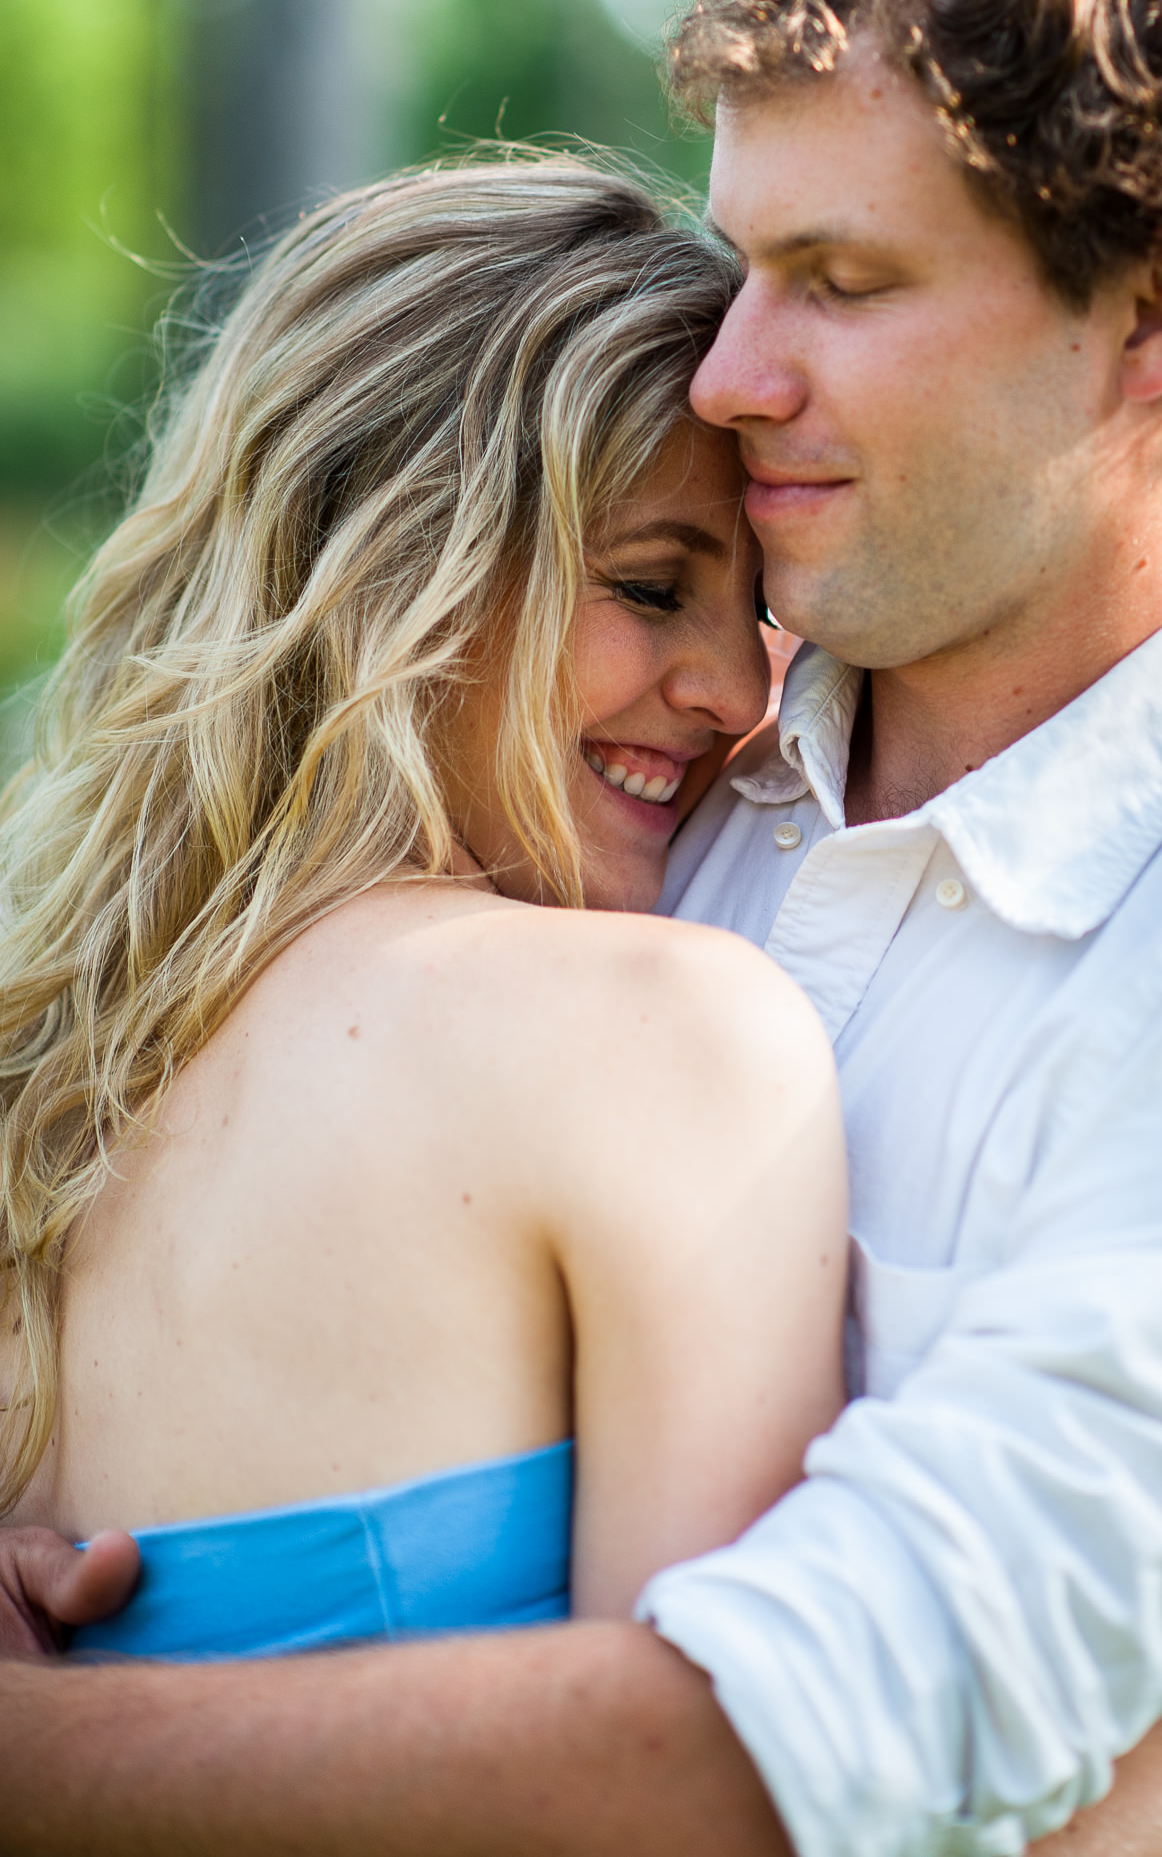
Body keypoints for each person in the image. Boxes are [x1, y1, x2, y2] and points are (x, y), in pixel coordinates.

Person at [3, 0, 1162, 1857]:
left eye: (834, 281)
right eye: (744, 261)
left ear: (1155, 318)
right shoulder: (610, 784)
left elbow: (767, 1772)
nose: (735, 371)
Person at [0, 156, 848, 1658]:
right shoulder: (666, 1034)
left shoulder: (48, 1071)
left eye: (762, 616)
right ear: (394, 562)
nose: (732, 693)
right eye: (653, 588)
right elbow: (715, 1789)